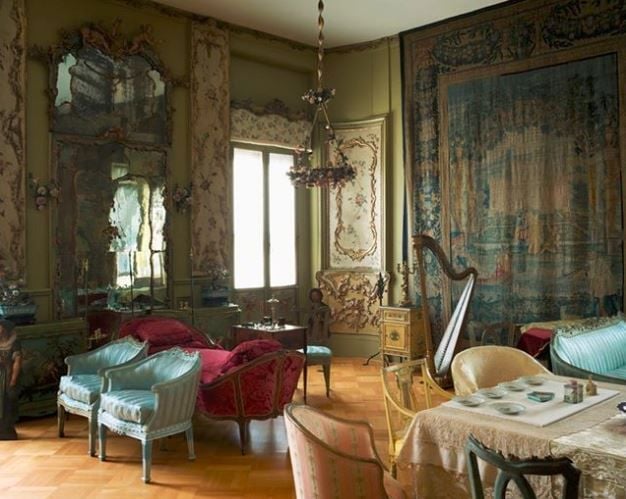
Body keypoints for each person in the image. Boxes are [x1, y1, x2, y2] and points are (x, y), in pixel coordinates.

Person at [0, 319, 21, 440]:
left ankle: (7, 429)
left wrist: (13, 380)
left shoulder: (14, 342)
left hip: (8, 375)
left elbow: (17, 361)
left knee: (7, 402)